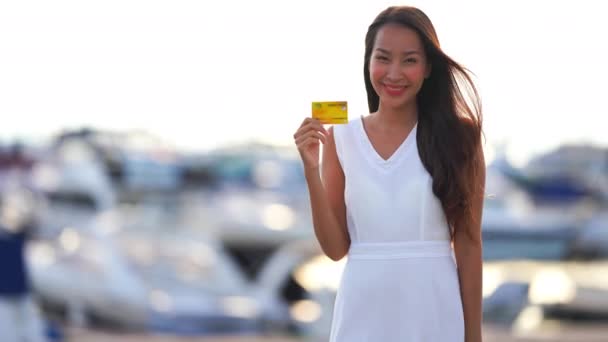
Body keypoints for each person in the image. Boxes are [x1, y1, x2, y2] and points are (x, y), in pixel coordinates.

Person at [293, 6, 485, 342]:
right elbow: (336, 249)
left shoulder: (460, 137)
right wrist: (311, 171)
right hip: (361, 316)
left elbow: (468, 244)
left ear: (427, 68)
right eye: (383, 58)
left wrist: (473, 337)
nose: (394, 73)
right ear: (368, 62)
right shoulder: (341, 137)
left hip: (434, 315)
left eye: (409, 60)